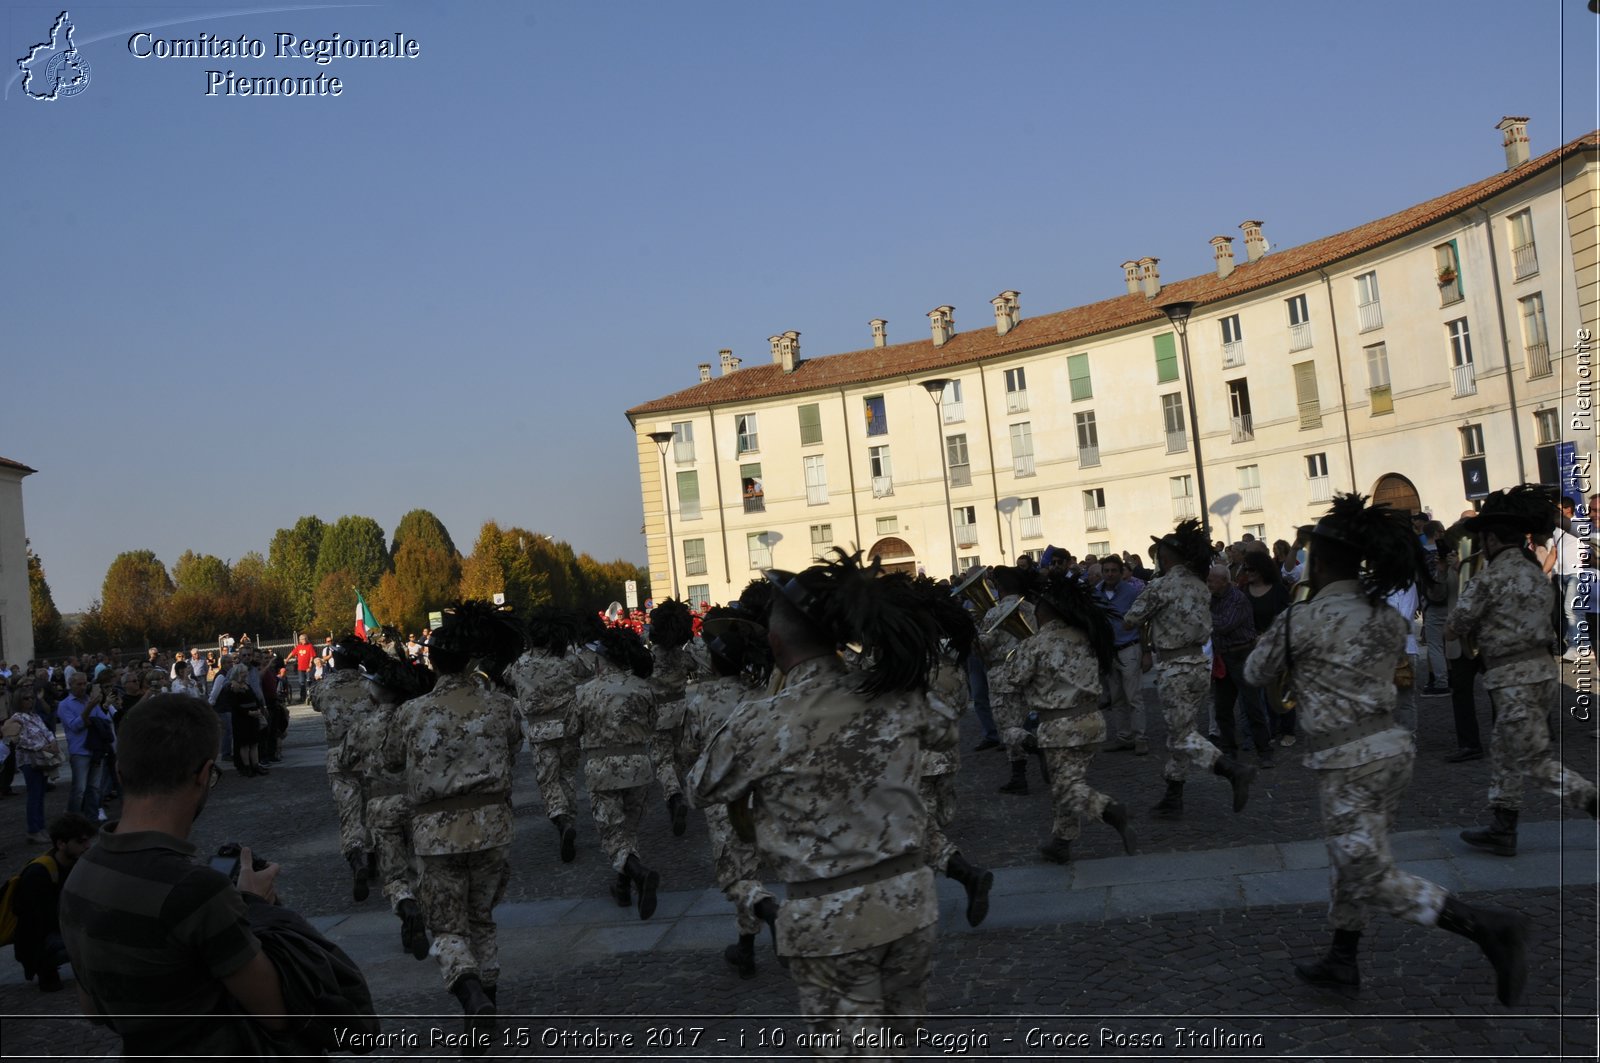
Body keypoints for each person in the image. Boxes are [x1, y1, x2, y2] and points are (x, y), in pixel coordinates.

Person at [1245, 493, 1531, 1006]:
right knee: (1352, 858)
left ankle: (1487, 926)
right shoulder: (1384, 615)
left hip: (1346, 760)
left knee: (1366, 870)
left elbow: (1255, 674)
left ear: (1322, 560)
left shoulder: (1301, 619)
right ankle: (1342, 958)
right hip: (1390, 750)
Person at [689, 550, 957, 1047]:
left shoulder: (759, 723)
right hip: (909, 904)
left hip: (829, 920)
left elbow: (701, 787)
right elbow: (944, 728)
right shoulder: (896, 694)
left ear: (774, 642)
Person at [58, 693, 291, 1055]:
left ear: (120, 771)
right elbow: (278, 1015)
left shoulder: (79, 874)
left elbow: (94, 1011)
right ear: (203, 774)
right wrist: (254, 907)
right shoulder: (198, 891)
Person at [382, 601, 524, 1052]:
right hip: (492, 824)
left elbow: (389, 760)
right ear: (472, 660)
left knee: (446, 927)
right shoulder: (501, 705)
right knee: (482, 918)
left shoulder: (411, 712)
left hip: (436, 832)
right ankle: (488, 1007)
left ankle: (468, 991)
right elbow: (515, 746)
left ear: (433, 662)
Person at [1447, 485, 1599, 856]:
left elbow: (1456, 623)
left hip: (1513, 677)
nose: (1481, 545)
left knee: (1533, 761)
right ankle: (1503, 825)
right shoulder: (1535, 573)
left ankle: (1591, 801)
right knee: (1504, 751)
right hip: (1540, 673)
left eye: (1483, 539)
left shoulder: (1489, 577)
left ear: (1494, 538)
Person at [1123, 519, 1257, 817]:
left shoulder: (1161, 586)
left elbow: (1130, 619)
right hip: (1199, 663)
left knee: (1182, 735)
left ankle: (1231, 770)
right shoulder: (1200, 585)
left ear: (1166, 556)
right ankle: (1174, 795)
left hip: (1175, 666)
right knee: (1182, 731)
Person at [1010, 570, 1136, 865]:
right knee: (1069, 781)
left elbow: (1013, 678)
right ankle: (1061, 842)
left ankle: (1110, 810)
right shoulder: (1086, 637)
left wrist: (1019, 652)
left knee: (1066, 788)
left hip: (1059, 727)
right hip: (1092, 723)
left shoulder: (1035, 644)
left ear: (1043, 613)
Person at [683, 605, 779, 977]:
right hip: (762, 793)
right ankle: (745, 947)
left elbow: (689, 750)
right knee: (750, 868)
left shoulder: (701, 701)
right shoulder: (760, 696)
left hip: (724, 797)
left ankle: (771, 912)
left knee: (734, 877)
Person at [907, 578, 996, 923]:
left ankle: (967, 875)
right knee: (928, 823)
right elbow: (959, 707)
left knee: (920, 830)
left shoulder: (911, 665)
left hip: (918, 760)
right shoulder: (952, 663)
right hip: (947, 756)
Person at [345, 641, 435, 960]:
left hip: (381, 805)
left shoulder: (363, 726)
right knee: (420, 864)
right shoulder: (415, 719)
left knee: (393, 873)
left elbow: (344, 761)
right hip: (417, 800)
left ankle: (406, 906)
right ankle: (419, 912)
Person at [568, 626, 663, 919]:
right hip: (638, 764)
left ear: (603, 660)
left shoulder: (585, 691)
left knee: (611, 832)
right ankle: (623, 886)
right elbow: (653, 723)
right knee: (629, 829)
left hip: (603, 767)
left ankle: (638, 872)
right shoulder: (643, 687)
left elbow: (571, 729)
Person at [504, 608, 592, 863]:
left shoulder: (521, 663)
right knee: (567, 776)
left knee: (548, 779)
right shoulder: (566, 658)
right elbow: (588, 669)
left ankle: (560, 817)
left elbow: (505, 677)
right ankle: (570, 820)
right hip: (568, 726)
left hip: (540, 730)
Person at [312, 636, 376, 901]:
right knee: (372, 806)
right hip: (370, 754)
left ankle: (356, 856)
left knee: (349, 813)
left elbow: (316, 704)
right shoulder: (370, 685)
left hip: (339, 756)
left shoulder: (324, 687)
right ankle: (374, 856)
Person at [11, 812, 95, 992]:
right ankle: (46, 967)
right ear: (61, 844)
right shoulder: (38, 873)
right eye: (80, 842)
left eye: (88, 841)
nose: (88, 847)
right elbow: (37, 923)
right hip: (39, 940)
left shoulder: (74, 863)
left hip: (56, 928)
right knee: (95, 939)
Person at [1207, 564, 1272, 767]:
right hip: (1224, 656)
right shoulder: (1212, 599)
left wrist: (1204, 618)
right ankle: (1229, 749)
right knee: (1223, 708)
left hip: (1242, 654)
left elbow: (1224, 625)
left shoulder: (1237, 599)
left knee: (1252, 706)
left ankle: (1265, 750)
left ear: (1224, 581)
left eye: (1212, 580)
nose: (1208, 584)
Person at [646, 599, 700, 837]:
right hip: (681, 708)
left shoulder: (649, 658)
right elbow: (693, 663)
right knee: (678, 757)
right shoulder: (681, 655)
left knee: (663, 760)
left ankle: (674, 796)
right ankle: (677, 794)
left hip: (659, 713)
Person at [1096, 556, 1149, 756]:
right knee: (1116, 698)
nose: (1109, 574)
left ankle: (1140, 737)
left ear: (1120, 572)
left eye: (1113, 571)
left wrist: (1146, 653)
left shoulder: (1132, 592)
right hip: (1109, 651)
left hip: (1129, 648)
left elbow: (1142, 623)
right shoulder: (1096, 593)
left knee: (1134, 696)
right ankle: (1123, 737)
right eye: (1106, 570)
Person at [7, 684, 57, 842]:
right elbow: (20, 740)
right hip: (30, 760)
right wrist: (42, 746)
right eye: (26, 698)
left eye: (31, 698)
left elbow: (46, 731)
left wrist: (52, 742)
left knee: (41, 794)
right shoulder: (16, 718)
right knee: (34, 795)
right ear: (18, 701)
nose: (30, 701)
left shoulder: (35, 716)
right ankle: (33, 829)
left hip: (43, 757)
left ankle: (40, 827)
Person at [215, 665, 267, 777]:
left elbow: (255, 698)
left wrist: (258, 709)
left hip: (253, 717)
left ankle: (255, 765)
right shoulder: (232, 686)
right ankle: (247, 767)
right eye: (243, 672)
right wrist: (248, 712)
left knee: (254, 743)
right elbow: (234, 705)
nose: (246, 674)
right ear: (238, 673)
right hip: (241, 719)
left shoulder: (246, 685)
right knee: (244, 745)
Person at [289, 635, 317, 705]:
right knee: (301, 683)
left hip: (308, 668)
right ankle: (302, 697)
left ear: (307, 639)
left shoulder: (310, 646)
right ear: (300, 640)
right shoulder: (298, 647)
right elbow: (292, 653)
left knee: (309, 682)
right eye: (302, 639)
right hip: (300, 668)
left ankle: (311, 697)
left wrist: (310, 664)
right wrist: (287, 659)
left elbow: (312, 656)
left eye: (304, 639)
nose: (303, 640)